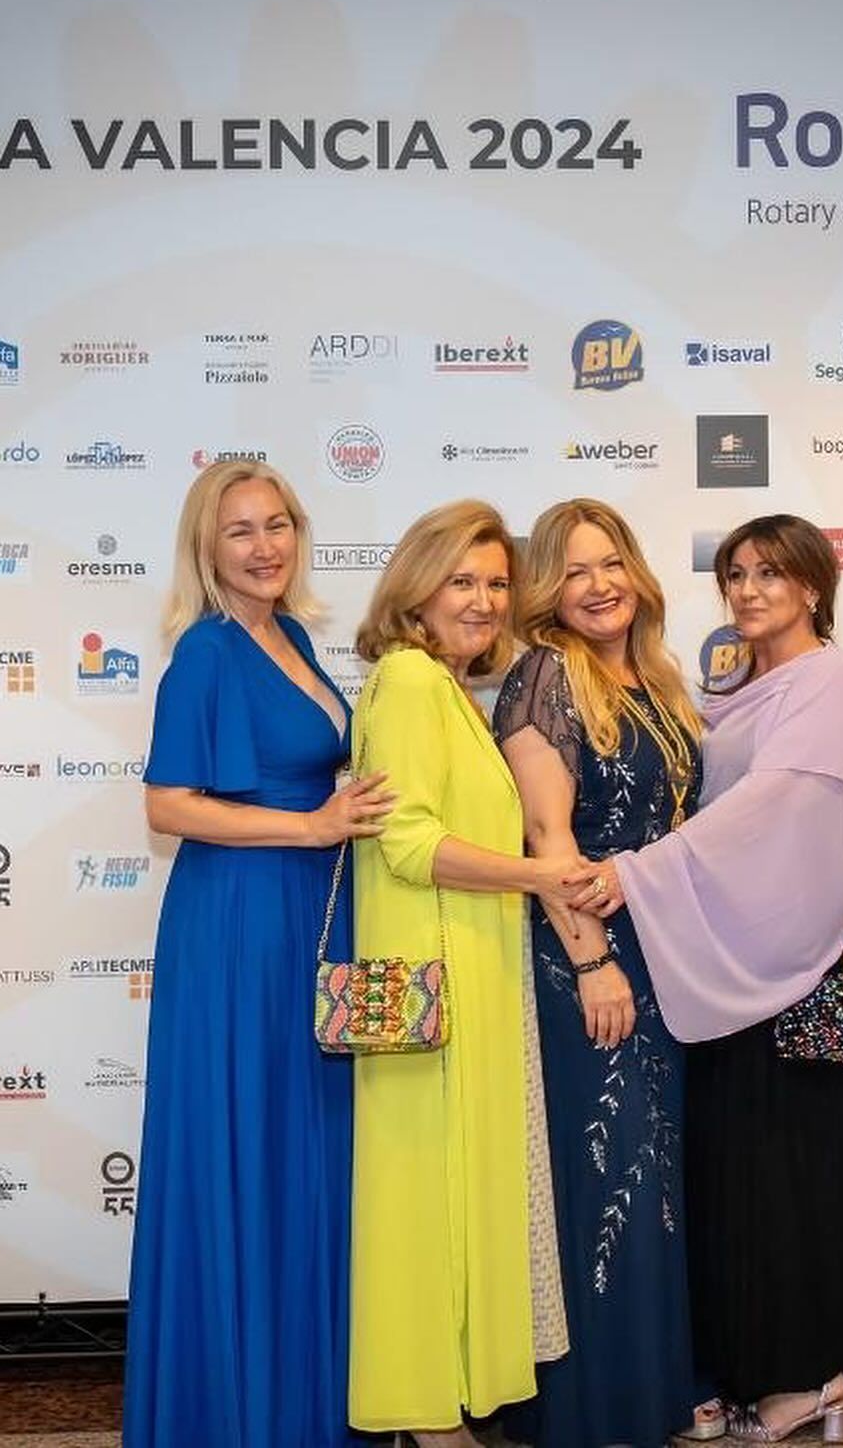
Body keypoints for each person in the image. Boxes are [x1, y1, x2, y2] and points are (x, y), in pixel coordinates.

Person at [570, 513, 843, 1444]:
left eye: (771, 574)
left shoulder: (830, 678)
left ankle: (809, 1381)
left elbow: (770, 809)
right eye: (736, 574)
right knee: (741, 1177)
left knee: (793, 1176)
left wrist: (636, 870)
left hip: (784, 971)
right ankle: (764, 1374)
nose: (748, 590)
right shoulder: (738, 687)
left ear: (814, 587)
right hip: (720, 966)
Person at [124, 460, 392, 1448]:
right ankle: (235, 1413)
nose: (265, 544)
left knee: (301, 1156)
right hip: (238, 931)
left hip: (302, 925)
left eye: (278, 523)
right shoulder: (207, 651)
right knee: (246, 1150)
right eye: (240, 530)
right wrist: (313, 828)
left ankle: (302, 1402)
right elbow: (167, 804)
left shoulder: (293, 639)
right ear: (207, 546)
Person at [493, 499, 724, 1448]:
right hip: (585, 955)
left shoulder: (658, 681)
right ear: (550, 589)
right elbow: (548, 837)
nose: (600, 585)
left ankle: (659, 1384)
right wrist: (591, 962)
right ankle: (600, 1408)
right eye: (576, 570)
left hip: (665, 956)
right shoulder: (545, 675)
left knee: (658, 1171)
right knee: (607, 1170)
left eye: (612, 562)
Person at [348, 499, 570, 1448]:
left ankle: (447, 1412)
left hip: (467, 968)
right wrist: (537, 874)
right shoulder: (406, 679)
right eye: (461, 581)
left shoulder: (445, 689)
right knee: (427, 1197)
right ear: (417, 590)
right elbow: (406, 842)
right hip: (430, 981)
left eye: (494, 583)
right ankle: (429, 1420)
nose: (482, 601)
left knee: (457, 1192)